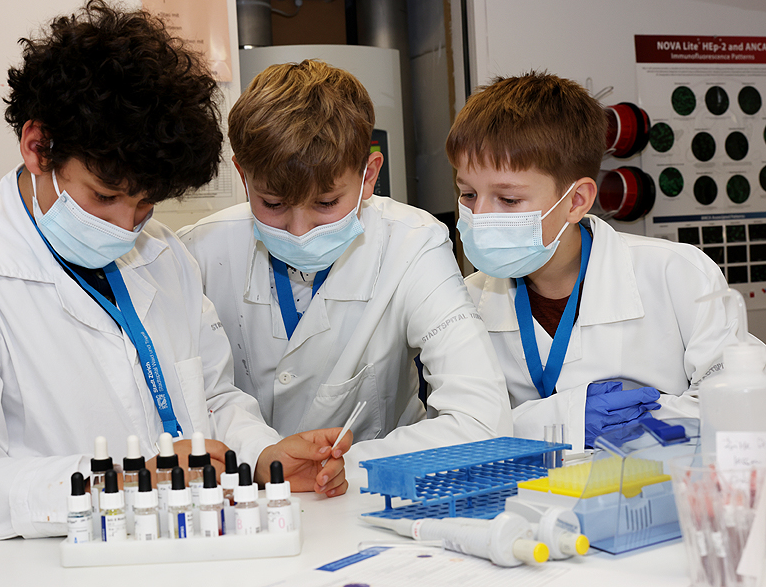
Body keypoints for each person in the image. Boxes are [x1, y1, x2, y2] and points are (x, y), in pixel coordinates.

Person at [0, 0, 350, 541]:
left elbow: (210, 398)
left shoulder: (164, 255)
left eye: (144, 204)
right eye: (105, 196)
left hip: (190, 549)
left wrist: (262, 456)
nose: (125, 226)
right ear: (37, 147)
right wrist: (126, 481)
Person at [177, 59, 512, 463]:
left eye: (326, 203)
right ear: (243, 176)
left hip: (371, 493)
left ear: (369, 175)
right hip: (248, 495)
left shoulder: (413, 244)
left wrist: (340, 465)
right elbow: (199, 402)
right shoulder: (200, 250)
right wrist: (262, 457)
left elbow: (481, 419)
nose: (298, 230)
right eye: (273, 203)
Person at [446, 70, 750, 451]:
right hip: (526, 504)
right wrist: (564, 420)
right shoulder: (464, 301)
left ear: (576, 201)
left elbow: (740, 401)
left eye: (508, 200)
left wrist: (639, 425)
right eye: (469, 194)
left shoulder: (677, 273)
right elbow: (455, 429)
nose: (482, 216)